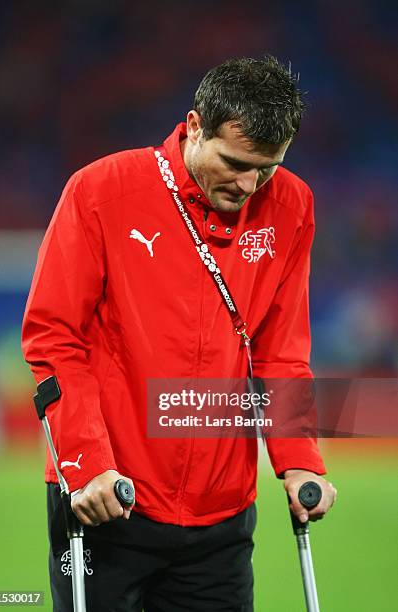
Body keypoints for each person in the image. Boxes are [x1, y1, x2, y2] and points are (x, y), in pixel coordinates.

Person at [22, 56, 337, 611]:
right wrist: (86, 463)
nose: (248, 184)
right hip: (107, 501)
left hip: (221, 519)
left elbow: (281, 352)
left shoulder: (292, 205)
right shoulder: (100, 192)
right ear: (194, 126)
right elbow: (54, 338)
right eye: (235, 162)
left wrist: (299, 459)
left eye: (266, 168)